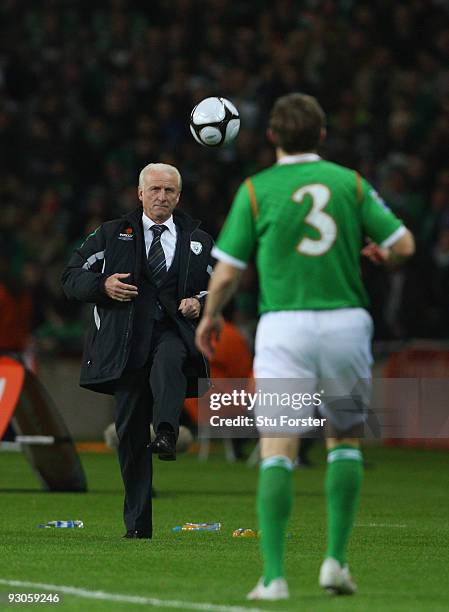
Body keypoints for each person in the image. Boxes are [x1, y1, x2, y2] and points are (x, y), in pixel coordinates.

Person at [195, 93, 415, 600]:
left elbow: (228, 269)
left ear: (271, 137)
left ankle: (273, 578)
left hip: (285, 326)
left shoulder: (256, 190)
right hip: (345, 322)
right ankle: (335, 563)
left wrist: (211, 316)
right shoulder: (349, 182)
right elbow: (403, 245)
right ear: (321, 135)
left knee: (278, 447)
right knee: (345, 438)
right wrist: (383, 253)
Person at [62, 162, 213, 539]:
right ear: (140, 193)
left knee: (170, 357)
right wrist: (104, 285)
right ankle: (138, 527)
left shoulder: (199, 240)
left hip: (172, 332)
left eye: (170, 191)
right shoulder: (112, 234)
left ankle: (165, 430)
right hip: (126, 346)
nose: (163, 197)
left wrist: (200, 303)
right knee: (130, 438)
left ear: (179, 196)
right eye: (156, 190)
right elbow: (71, 276)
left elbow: (219, 287)